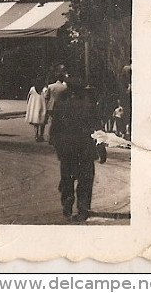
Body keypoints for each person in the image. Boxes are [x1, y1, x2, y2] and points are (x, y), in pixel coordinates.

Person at [50, 78, 106, 221]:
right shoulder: (89, 106)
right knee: (85, 181)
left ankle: (67, 207)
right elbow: (97, 128)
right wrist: (101, 149)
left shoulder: (60, 105)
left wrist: (58, 148)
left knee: (67, 179)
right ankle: (83, 209)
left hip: (67, 151)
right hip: (85, 151)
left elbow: (54, 129)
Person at [45, 72, 69, 141]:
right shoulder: (64, 87)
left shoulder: (50, 86)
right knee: (59, 121)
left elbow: (46, 97)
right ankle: (57, 136)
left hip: (51, 106)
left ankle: (50, 137)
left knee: (51, 121)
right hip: (60, 106)